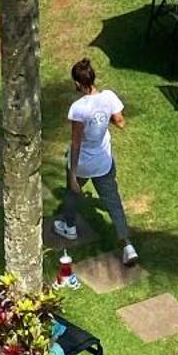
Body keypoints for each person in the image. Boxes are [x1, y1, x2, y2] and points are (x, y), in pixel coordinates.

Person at [53, 57, 137, 265]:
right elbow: (120, 122)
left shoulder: (78, 108)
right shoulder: (109, 97)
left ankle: (69, 227)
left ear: (77, 83)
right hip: (104, 162)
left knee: (72, 193)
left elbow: (75, 144)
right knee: (113, 202)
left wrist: (73, 174)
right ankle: (127, 245)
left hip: (83, 163)